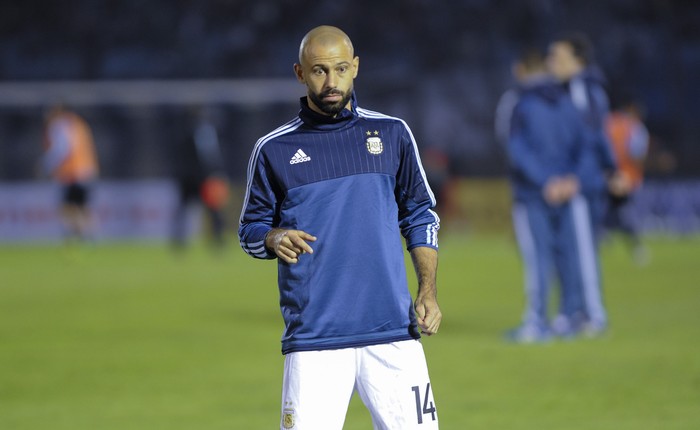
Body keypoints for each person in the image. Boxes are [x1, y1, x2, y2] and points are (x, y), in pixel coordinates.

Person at [238, 26, 441, 429]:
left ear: (356, 68)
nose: (331, 82)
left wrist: (428, 292)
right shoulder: (273, 149)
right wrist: (273, 237)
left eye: (341, 69)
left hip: (393, 333)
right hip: (314, 338)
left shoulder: (392, 134)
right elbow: (250, 230)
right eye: (319, 71)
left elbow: (421, 216)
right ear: (300, 73)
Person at [502, 48, 591, 342]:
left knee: (537, 258)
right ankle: (569, 317)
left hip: (534, 194)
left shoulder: (521, 103)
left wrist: (545, 182)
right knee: (568, 255)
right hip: (566, 191)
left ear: (523, 69)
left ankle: (537, 321)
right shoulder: (568, 102)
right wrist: (570, 179)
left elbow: (517, 150)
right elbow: (583, 145)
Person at [546, 33, 615, 335]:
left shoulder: (584, 91)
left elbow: (592, 141)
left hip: (580, 186)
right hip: (562, 184)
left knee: (583, 251)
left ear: (579, 62)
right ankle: (571, 311)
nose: (552, 63)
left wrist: (577, 177)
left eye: (559, 58)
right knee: (563, 250)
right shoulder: (562, 91)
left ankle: (593, 314)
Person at [171, 106, 229, 252]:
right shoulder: (188, 133)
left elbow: (213, 157)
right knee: (185, 210)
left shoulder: (210, 133)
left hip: (206, 178)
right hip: (191, 179)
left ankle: (218, 241)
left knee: (213, 210)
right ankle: (180, 241)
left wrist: (216, 172)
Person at [41, 104, 99, 242]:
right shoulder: (79, 123)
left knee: (68, 208)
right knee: (82, 207)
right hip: (86, 170)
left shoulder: (60, 125)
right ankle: (89, 239)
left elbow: (62, 149)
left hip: (71, 173)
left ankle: (77, 238)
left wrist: (46, 165)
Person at [604, 99, 650, 264]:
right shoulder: (635, 128)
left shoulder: (608, 122)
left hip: (607, 176)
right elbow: (636, 153)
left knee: (606, 210)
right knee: (624, 214)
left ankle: (603, 241)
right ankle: (636, 248)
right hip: (627, 178)